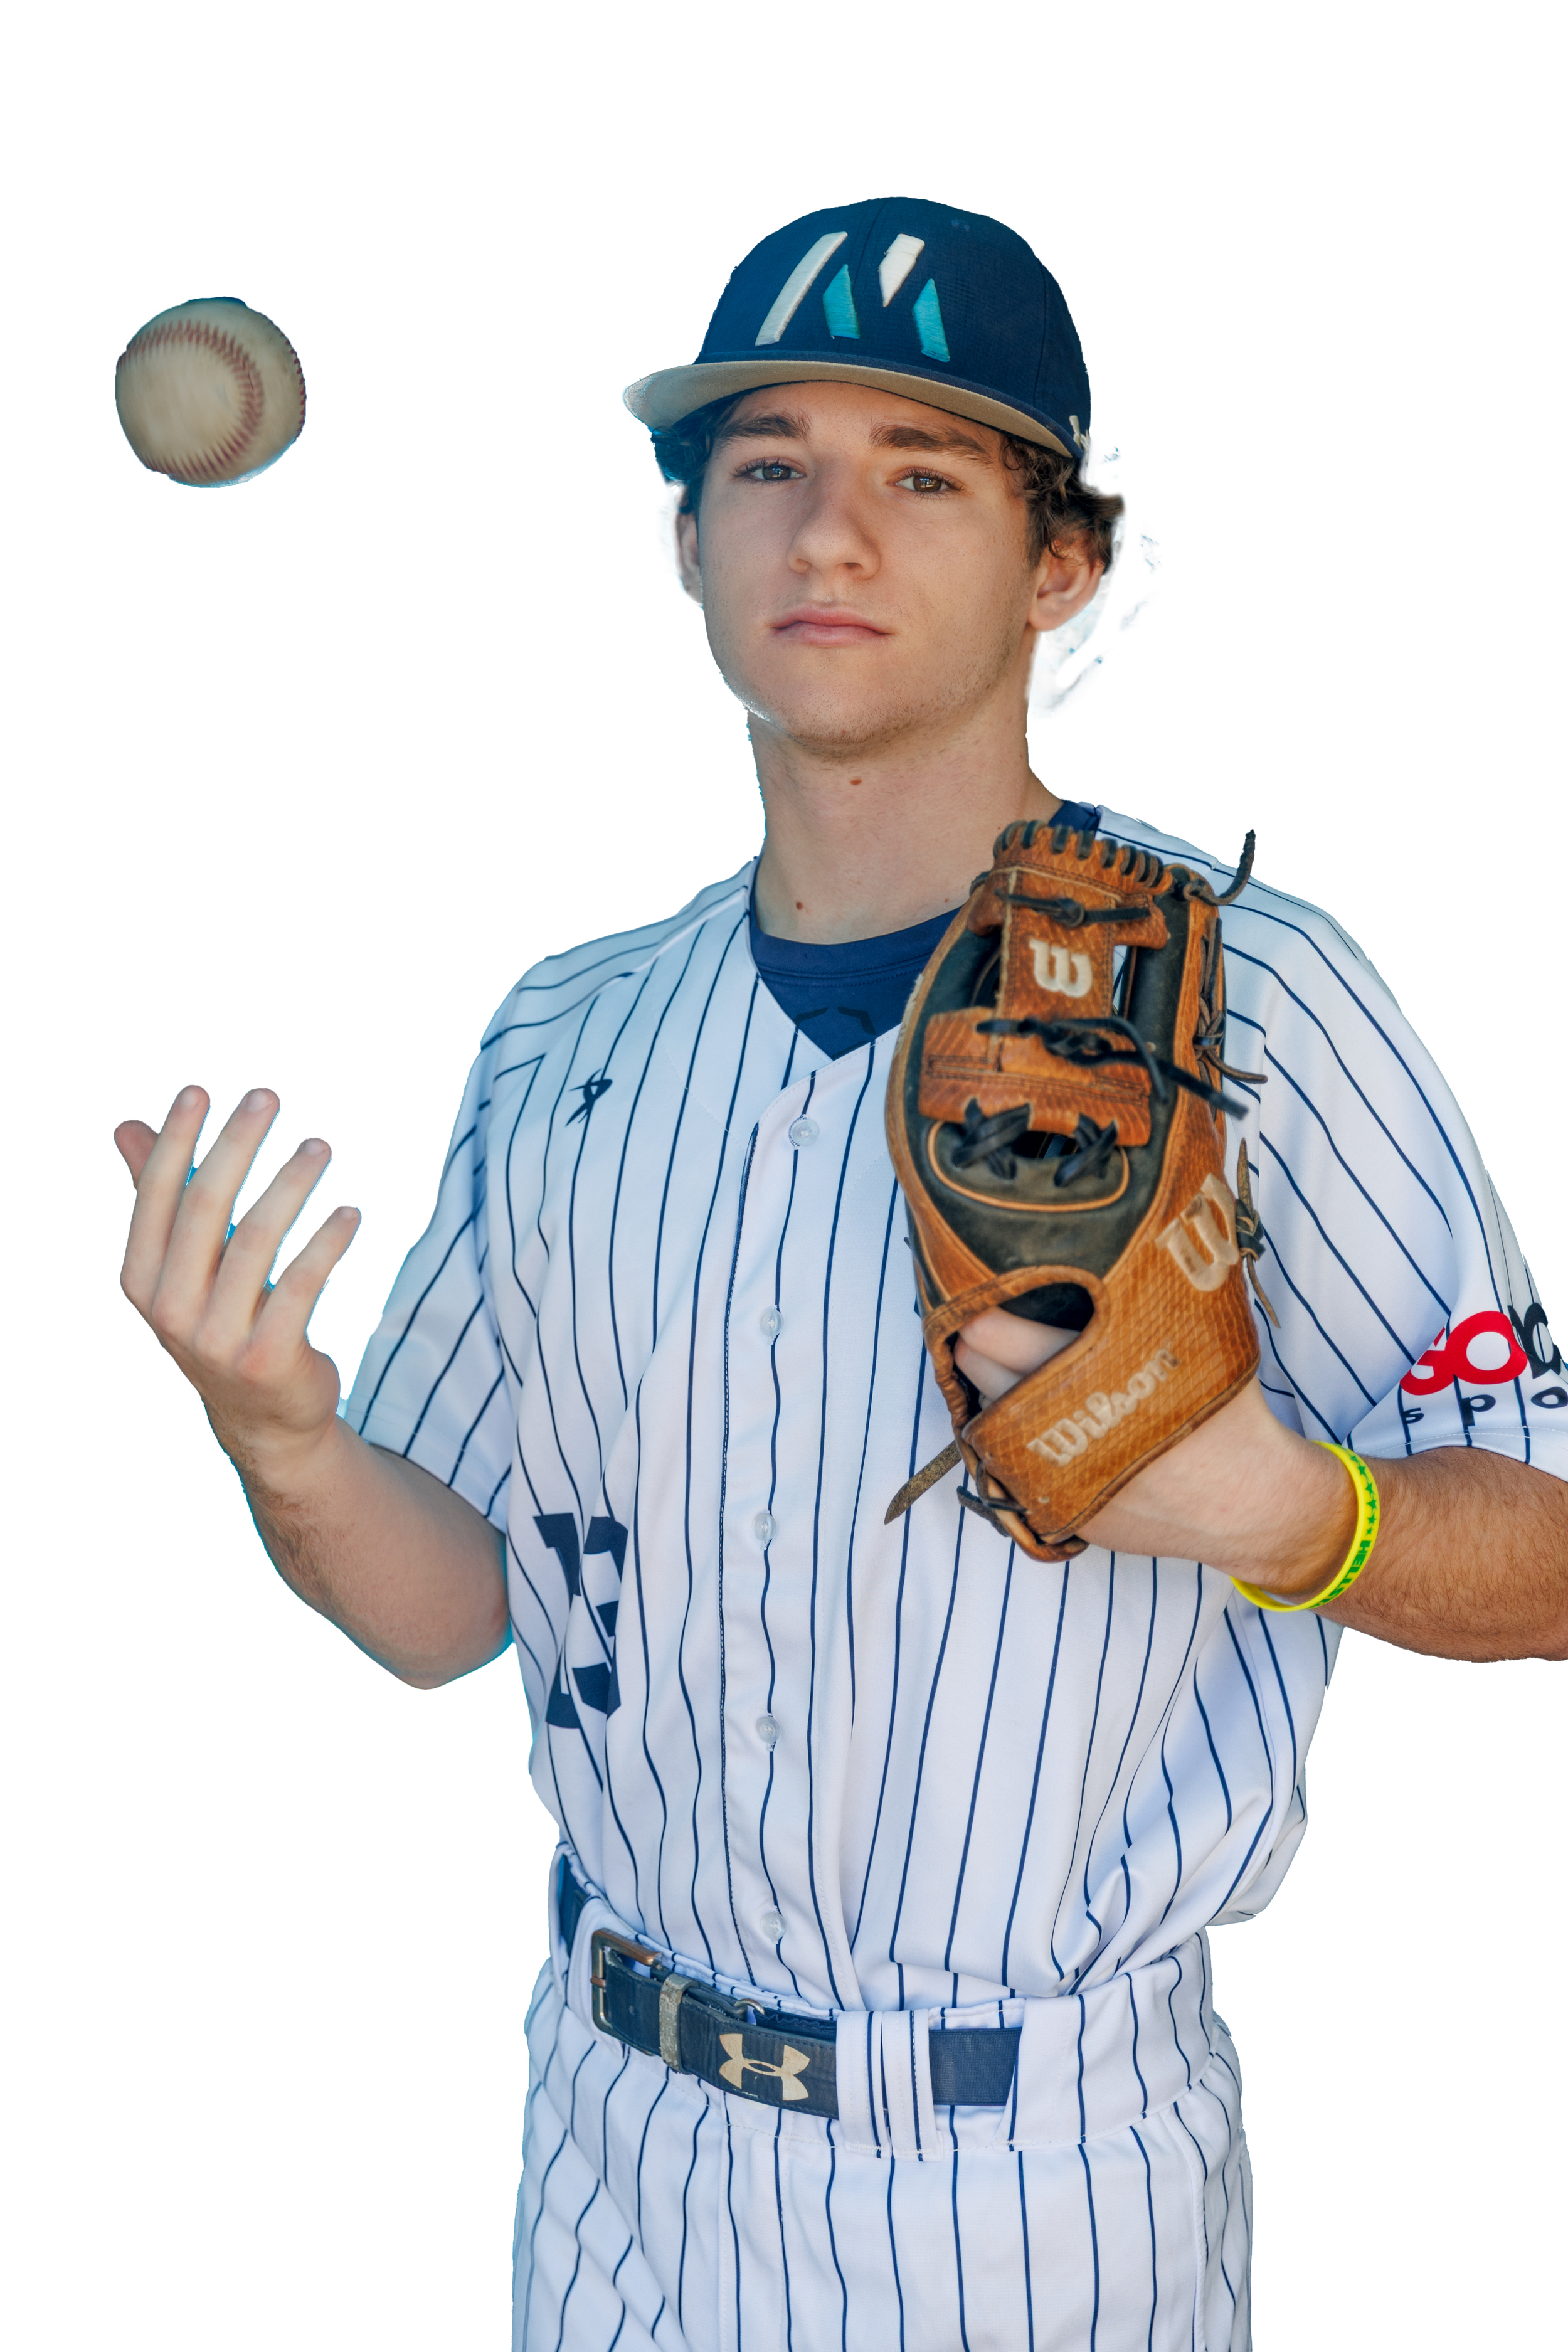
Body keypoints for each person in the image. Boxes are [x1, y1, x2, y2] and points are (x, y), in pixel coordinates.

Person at [114, 199, 1566, 2350]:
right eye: (766, 462)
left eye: (924, 470)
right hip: (610, 2136)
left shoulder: (1259, 1001)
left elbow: (1550, 1561)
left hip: (1034, 2183)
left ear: (1062, 560)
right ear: (676, 544)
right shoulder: (566, 1035)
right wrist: (281, 1436)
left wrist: (1292, 1513)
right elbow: (461, 1620)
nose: (832, 533)